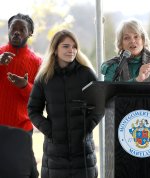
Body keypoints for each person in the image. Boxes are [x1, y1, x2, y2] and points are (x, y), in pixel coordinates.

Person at [28, 29, 104, 178]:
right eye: (66, 46)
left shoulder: (86, 73)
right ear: (55, 49)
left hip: (82, 152)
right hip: (55, 154)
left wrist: (86, 127)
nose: (72, 50)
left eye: (74, 46)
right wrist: (50, 131)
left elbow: (99, 105)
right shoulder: (44, 77)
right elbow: (33, 110)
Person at [0, 13, 42, 134]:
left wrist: (25, 86)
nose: (16, 32)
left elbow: (39, 99)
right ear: (9, 30)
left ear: (30, 33)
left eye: (22, 29)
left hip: (22, 130)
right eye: (13, 28)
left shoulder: (37, 62)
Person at [101, 18, 150, 82]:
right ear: (121, 44)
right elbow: (109, 95)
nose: (132, 41)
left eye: (136, 36)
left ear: (143, 40)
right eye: (126, 38)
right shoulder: (113, 66)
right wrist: (137, 80)